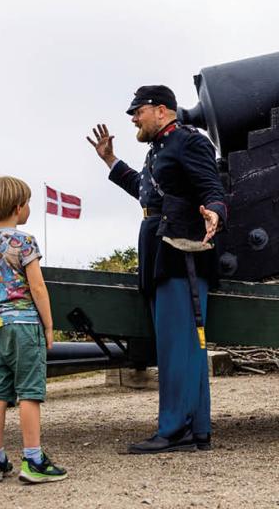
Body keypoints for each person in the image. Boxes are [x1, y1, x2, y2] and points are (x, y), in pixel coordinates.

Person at [87, 85, 227, 454]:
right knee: (180, 343)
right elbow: (148, 193)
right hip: (160, 247)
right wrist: (111, 162)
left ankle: (175, 429)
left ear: (161, 110)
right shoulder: (160, 148)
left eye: (138, 111)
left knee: (178, 343)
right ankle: (197, 430)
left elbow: (212, 186)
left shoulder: (188, 142)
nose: (133, 118)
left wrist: (216, 211)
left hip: (181, 250)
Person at [0, 176, 67, 484]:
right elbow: (38, 288)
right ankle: (33, 460)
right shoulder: (24, 242)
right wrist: (50, 326)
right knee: (30, 391)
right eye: (27, 202)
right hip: (25, 323)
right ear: (18, 207)